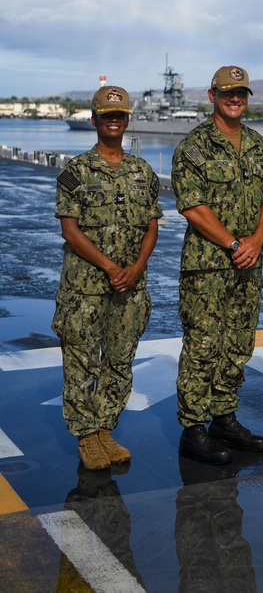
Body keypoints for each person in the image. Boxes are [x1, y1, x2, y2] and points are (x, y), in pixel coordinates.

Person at [172, 65, 263, 465]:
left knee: (238, 342)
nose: (235, 99)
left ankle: (224, 417)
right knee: (202, 345)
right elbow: (192, 206)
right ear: (212, 95)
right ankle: (193, 428)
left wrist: (255, 241)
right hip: (208, 265)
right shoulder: (194, 146)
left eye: (241, 93)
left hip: (248, 263)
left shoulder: (258, 145)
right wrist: (235, 243)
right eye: (227, 93)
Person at [53, 86, 162, 471]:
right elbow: (70, 229)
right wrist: (111, 267)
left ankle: (104, 429)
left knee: (119, 361)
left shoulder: (142, 172)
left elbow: (152, 226)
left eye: (120, 115)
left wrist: (134, 268)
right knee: (82, 361)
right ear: (95, 120)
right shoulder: (76, 171)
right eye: (106, 115)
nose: (114, 121)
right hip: (85, 288)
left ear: (127, 119)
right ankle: (85, 435)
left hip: (131, 287)